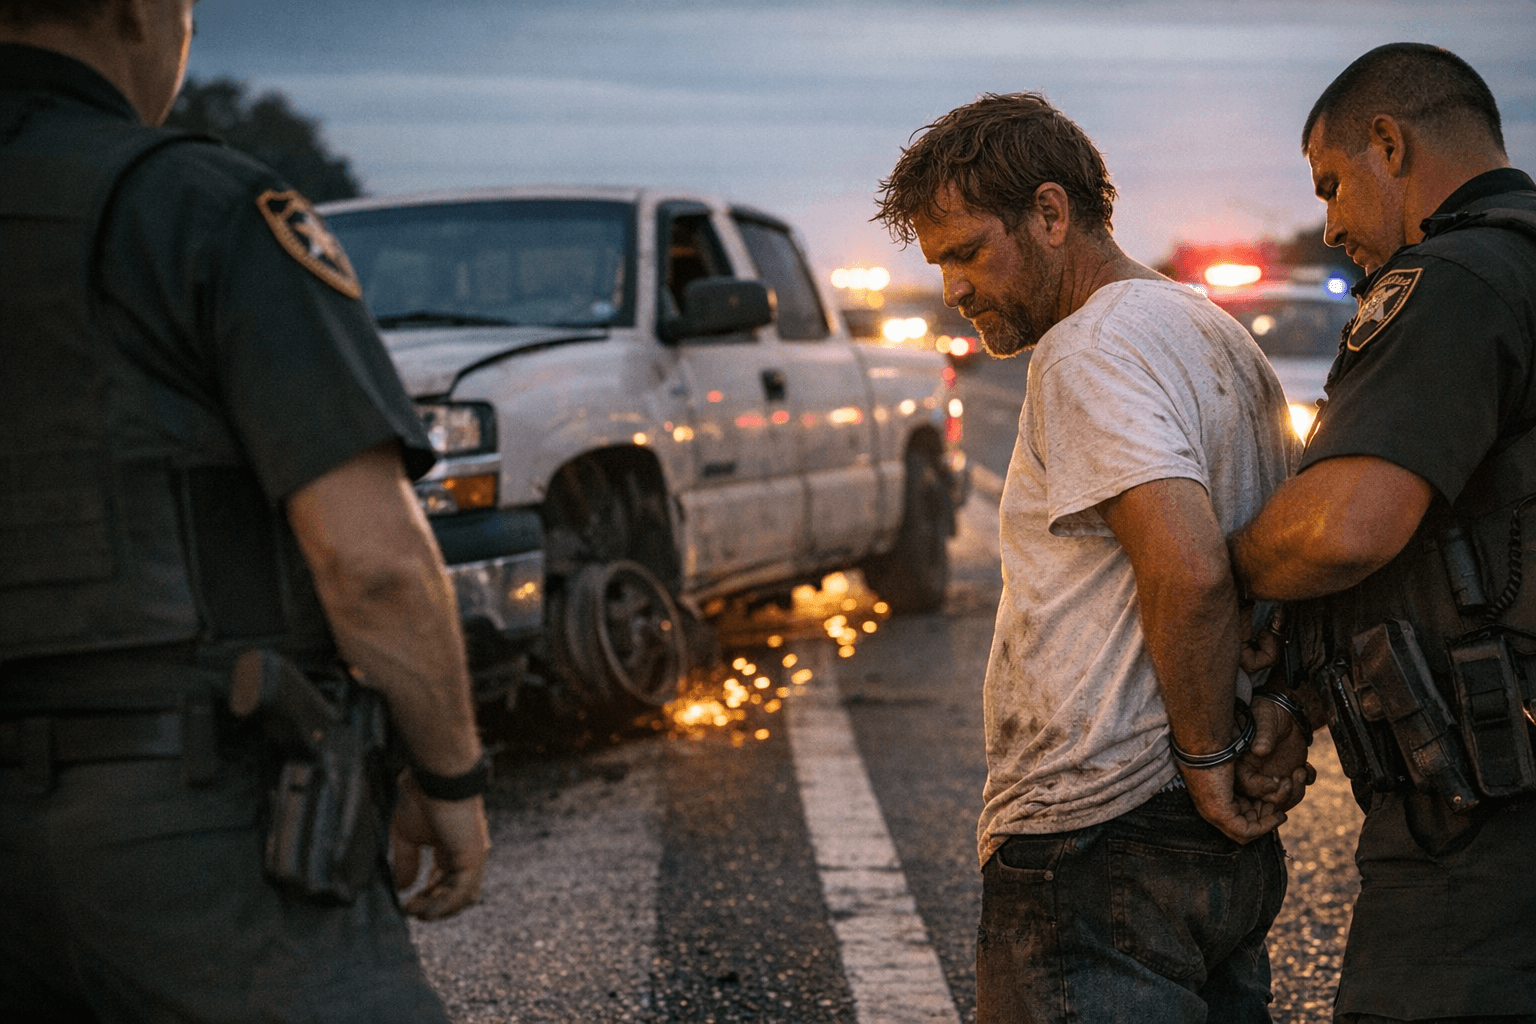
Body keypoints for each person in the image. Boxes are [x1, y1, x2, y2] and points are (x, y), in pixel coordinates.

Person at [0, 1, 490, 1020]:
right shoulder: (192, 206)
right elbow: (373, 563)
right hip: (182, 822)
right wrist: (448, 776)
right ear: (142, 15)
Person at [875, 92, 1308, 1024]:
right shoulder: (1213, 335)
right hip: (1212, 847)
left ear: (1050, 212)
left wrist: (1201, 755)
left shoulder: (1089, 350)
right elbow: (1277, 565)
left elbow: (1190, 568)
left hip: (1098, 834)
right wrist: (1262, 721)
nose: (953, 287)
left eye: (965, 251)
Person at [1231, 43, 1536, 1023]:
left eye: (1331, 186)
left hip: (1481, 824)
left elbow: (1347, 528)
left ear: (1389, 145)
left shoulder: (1457, 277)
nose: (1328, 225)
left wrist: (1237, 565)